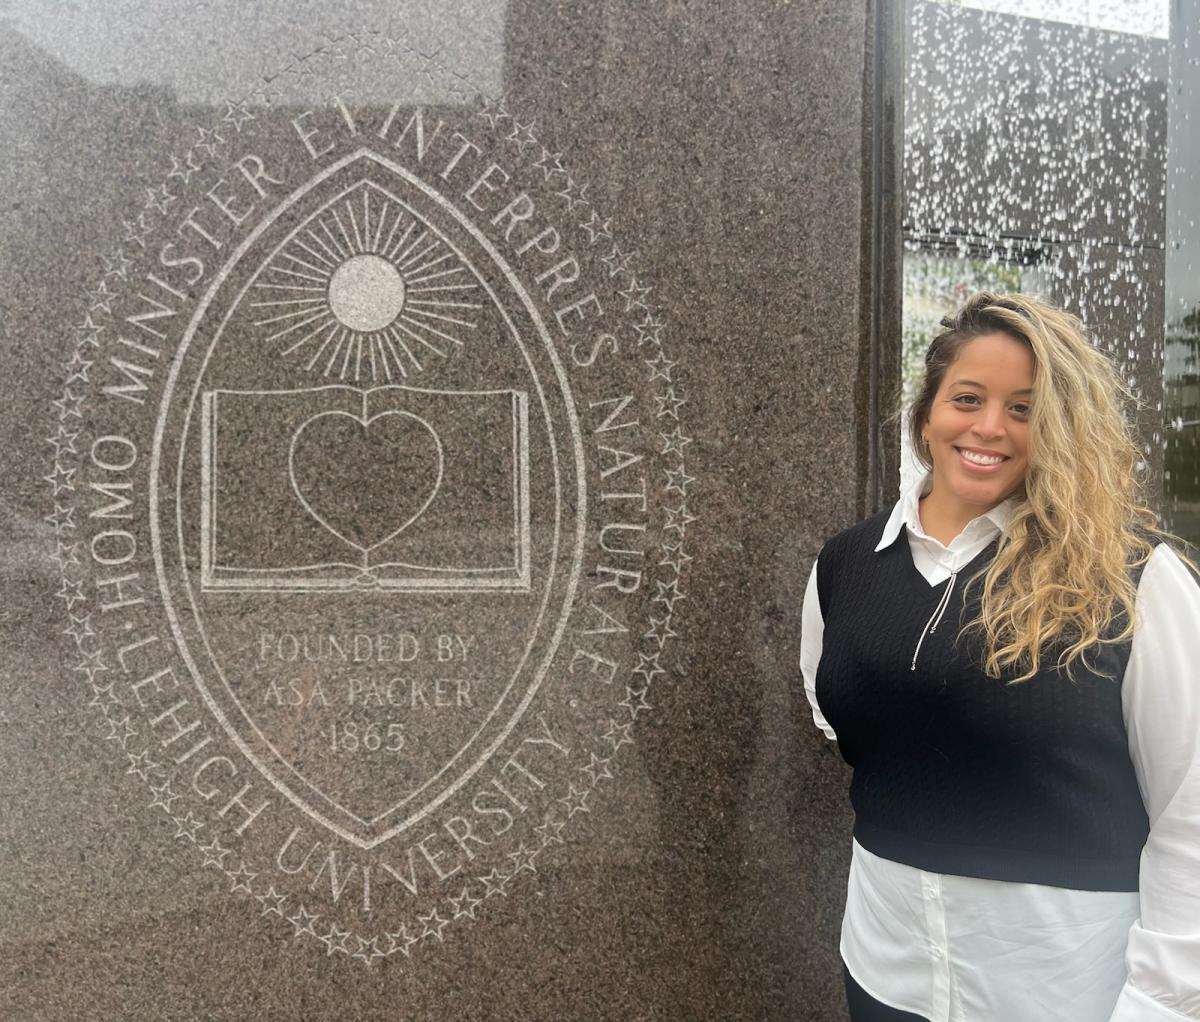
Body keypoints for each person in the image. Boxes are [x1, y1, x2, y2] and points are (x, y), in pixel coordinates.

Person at [799, 291, 1200, 1022]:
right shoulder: (845, 564)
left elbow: (1191, 809)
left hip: (1067, 992)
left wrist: (1164, 1003)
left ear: (1058, 429)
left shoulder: (1134, 577)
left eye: (1024, 408)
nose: (989, 426)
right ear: (926, 413)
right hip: (885, 972)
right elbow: (834, 713)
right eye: (968, 398)